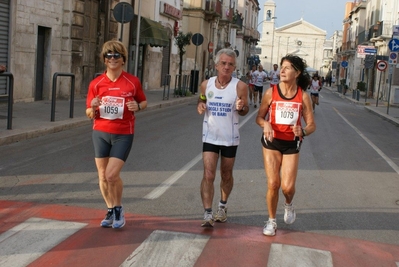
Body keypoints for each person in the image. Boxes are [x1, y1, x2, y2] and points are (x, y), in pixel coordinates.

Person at [86, 40, 147, 229]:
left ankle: (119, 208)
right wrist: (93, 107)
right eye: (109, 55)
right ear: (104, 60)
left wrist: (137, 106)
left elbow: (143, 102)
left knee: (112, 175)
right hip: (100, 132)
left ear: (123, 59)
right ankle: (110, 209)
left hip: (123, 133)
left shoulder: (132, 81)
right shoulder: (96, 84)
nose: (112, 59)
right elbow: (88, 112)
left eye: (116, 55)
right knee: (103, 176)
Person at [256, 54, 316, 236]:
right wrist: (265, 123)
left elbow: (312, 125)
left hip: (291, 144)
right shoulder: (270, 93)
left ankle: (288, 204)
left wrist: (303, 131)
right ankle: (271, 221)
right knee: (273, 183)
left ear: (297, 73)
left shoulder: (303, 96)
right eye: (282, 67)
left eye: (287, 67)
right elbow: (259, 117)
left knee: (287, 188)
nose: (282, 70)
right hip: (271, 142)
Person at [197, 48, 249, 227]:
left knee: (226, 174)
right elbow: (202, 99)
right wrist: (201, 105)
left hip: (230, 138)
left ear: (234, 67)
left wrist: (241, 107)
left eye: (230, 64)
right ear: (216, 65)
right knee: (208, 174)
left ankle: (222, 206)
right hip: (210, 136)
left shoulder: (240, 86)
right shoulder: (206, 84)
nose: (226, 67)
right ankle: (207, 213)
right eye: (223, 63)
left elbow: (245, 110)